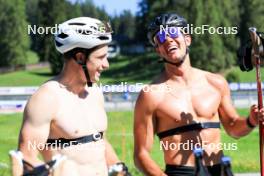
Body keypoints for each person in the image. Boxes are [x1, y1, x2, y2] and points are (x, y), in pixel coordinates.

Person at [133, 13, 264, 176]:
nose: (168, 40)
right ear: (158, 50)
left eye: (173, 32)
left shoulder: (216, 83)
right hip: (181, 172)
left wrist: (251, 120)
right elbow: (141, 155)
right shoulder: (150, 95)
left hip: (220, 169)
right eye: (160, 37)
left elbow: (233, 128)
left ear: (187, 39)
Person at [12, 17, 130, 176]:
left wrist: (119, 168)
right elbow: (26, 158)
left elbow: (100, 141)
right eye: (101, 57)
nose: (106, 64)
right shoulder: (47, 98)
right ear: (80, 57)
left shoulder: (95, 92)